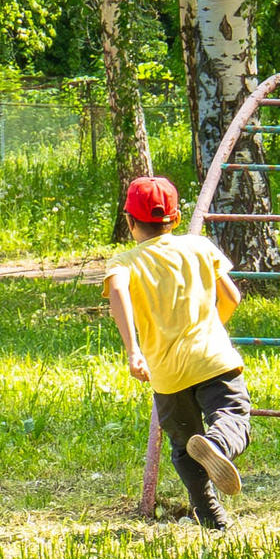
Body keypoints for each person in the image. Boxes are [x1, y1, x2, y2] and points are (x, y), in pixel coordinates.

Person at [104, 176, 249, 529]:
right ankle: (217, 444)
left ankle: (212, 518)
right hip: (214, 359)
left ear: (129, 221)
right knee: (234, 419)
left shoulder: (125, 261)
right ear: (176, 218)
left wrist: (133, 350)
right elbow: (232, 297)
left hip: (167, 374)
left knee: (184, 448)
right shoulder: (199, 246)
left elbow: (118, 294)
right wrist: (216, 326)